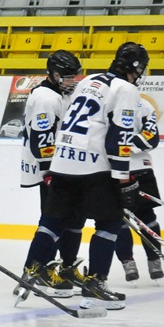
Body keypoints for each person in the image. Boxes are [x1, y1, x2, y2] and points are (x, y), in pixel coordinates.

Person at [22, 42, 150, 310]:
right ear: (135, 69)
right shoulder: (126, 89)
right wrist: (123, 177)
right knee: (110, 222)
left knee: (53, 220)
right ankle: (95, 285)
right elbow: (119, 136)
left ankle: (32, 269)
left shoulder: (89, 80)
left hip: (63, 162)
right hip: (94, 166)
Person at [15, 50, 86, 303]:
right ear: (54, 75)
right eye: (67, 77)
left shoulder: (61, 94)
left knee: (74, 217)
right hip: (51, 169)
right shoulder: (45, 97)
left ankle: (66, 267)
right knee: (54, 218)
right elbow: (42, 139)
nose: (72, 81)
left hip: (65, 166)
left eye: (74, 76)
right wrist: (48, 172)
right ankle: (38, 268)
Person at [115, 98, 164, 283]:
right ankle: (128, 262)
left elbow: (152, 138)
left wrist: (121, 147)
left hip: (137, 168)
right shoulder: (106, 101)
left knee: (146, 216)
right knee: (119, 218)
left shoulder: (143, 105)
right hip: (114, 169)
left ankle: (154, 259)